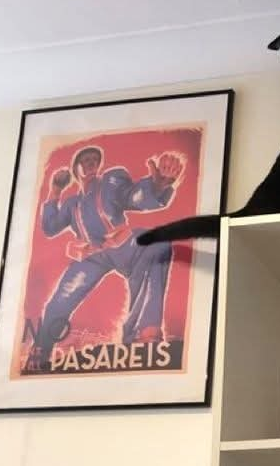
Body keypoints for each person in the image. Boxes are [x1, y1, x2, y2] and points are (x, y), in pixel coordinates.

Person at [24, 144, 184, 372]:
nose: (91, 164)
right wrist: (55, 190)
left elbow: (133, 196)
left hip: (120, 244)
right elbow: (49, 228)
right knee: (62, 297)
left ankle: (143, 334)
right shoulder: (71, 204)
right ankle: (40, 350)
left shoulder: (111, 181)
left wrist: (157, 186)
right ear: (76, 169)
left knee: (156, 245)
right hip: (90, 256)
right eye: (85, 160)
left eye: (94, 160)